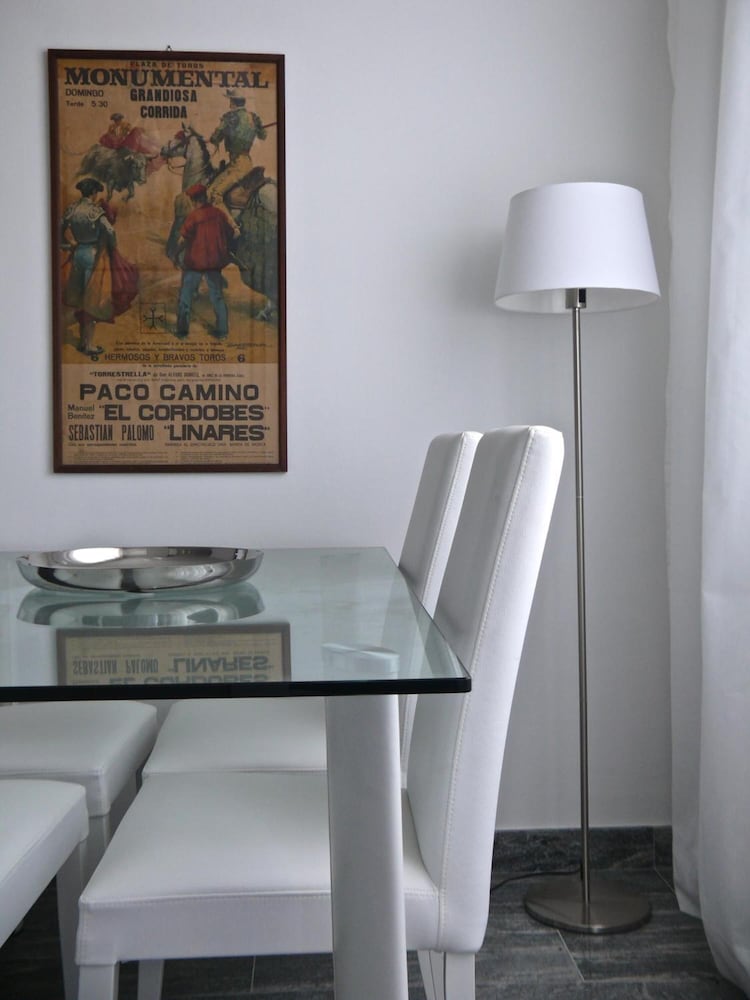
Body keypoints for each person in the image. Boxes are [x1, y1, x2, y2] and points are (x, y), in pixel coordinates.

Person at [61, 178, 140, 357]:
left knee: (81, 299)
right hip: (93, 256)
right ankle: (88, 344)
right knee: (92, 300)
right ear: (93, 192)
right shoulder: (95, 211)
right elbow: (110, 231)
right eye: (96, 192)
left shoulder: (71, 209)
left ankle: (83, 342)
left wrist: (68, 245)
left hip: (78, 254)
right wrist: (110, 247)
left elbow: (59, 231)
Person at [176, 183, 235, 341]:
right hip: (214, 264)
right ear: (206, 197)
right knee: (217, 297)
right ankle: (222, 332)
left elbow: (182, 240)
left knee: (186, 297)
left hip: (195, 264)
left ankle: (182, 332)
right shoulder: (219, 214)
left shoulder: (193, 216)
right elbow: (230, 233)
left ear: (195, 200)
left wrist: (177, 252)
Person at [207, 91, 266, 224]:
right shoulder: (253, 117)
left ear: (233, 102)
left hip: (238, 166)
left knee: (215, 194)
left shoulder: (229, 117)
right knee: (210, 191)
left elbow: (216, 138)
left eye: (230, 101)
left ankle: (233, 228)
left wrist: (213, 138)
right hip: (245, 162)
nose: (230, 104)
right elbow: (263, 136)